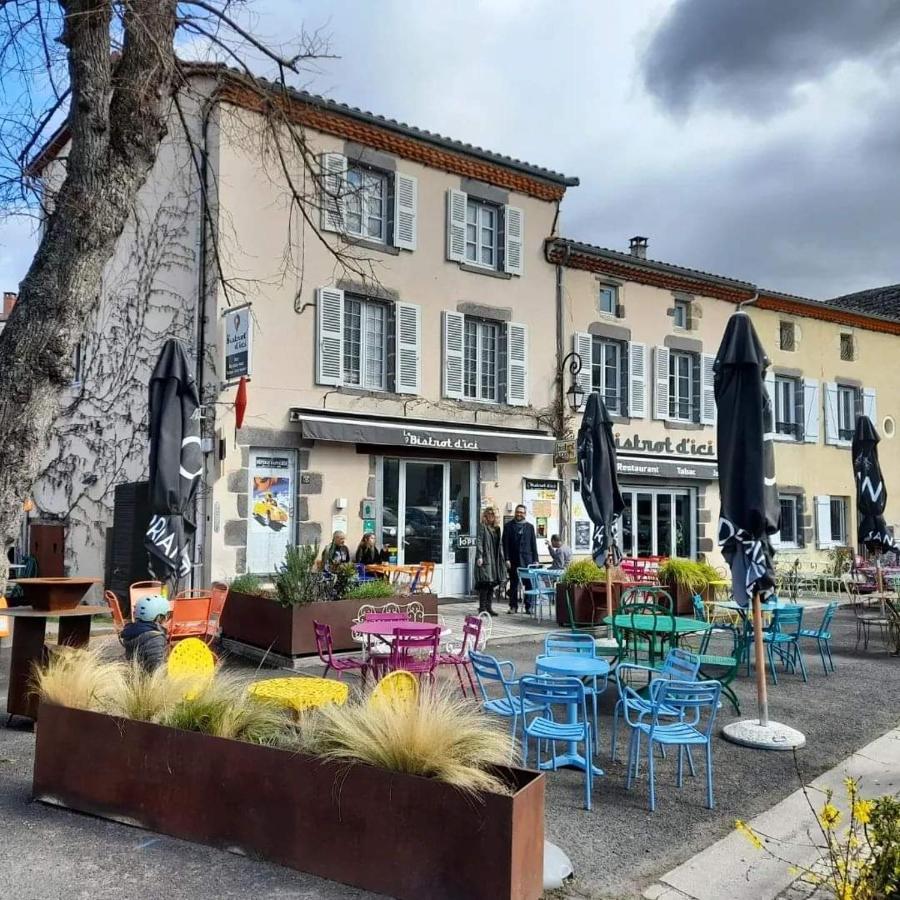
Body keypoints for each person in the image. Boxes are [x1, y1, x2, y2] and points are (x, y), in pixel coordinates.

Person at [502, 504, 539, 614]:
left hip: (527, 560)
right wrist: (507, 558)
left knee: (529, 584)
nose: (519, 514)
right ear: (515, 512)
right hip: (513, 560)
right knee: (513, 584)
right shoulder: (508, 526)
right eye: (518, 512)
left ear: (525, 514)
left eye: (521, 512)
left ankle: (529, 607)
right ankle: (513, 606)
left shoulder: (530, 527)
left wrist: (536, 559)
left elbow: (533, 544)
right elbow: (505, 544)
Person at [119, 594, 169, 672]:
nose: (167, 618)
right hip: (148, 680)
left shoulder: (130, 632)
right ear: (159, 617)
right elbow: (157, 669)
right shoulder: (155, 638)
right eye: (166, 615)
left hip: (135, 675)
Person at [474, 507, 504, 616]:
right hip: (486, 558)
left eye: (492, 515)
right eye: (488, 514)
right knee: (485, 583)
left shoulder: (496, 528)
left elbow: (499, 544)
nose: (491, 516)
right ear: (485, 516)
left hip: (495, 559)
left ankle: (489, 607)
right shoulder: (483, 527)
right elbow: (479, 541)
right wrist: (480, 556)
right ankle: (482, 608)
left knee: (492, 584)